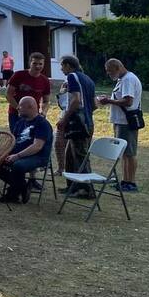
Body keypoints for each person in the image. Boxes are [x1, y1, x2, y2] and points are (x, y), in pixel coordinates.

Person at [0, 96, 53, 204]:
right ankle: (23, 187)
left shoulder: (42, 124)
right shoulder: (20, 122)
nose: (17, 108)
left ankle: (12, 194)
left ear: (30, 107)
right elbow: (13, 141)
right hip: (18, 154)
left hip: (38, 156)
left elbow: (37, 146)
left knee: (18, 165)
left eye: (21, 106)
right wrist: (3, 153)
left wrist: (17, 156)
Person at [100, 58, 143, 192]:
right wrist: (110, 99)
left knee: (129, 152)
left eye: (110, 71)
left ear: (118, 68)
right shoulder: (123, 79)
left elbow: (128, 101)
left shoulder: (128, 79)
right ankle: (125, 181)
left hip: (126, 122)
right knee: (124, 153)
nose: (109, 74)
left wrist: (109, 101)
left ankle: (131, 182)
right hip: (121, 121)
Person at [55, 55, 96, 197]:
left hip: (78, 123)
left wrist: (65, 119)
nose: (61, 69)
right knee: (70, 155)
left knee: (80, 155)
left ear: (68, 65)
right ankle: (72, 186)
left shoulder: (72, 77)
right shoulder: (88, 79)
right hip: (88, 121)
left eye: (62, 66)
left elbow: (76, 100)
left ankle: (86, 189)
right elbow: (95, 104)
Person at [7, 52, 51, 129]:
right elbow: (8, 94)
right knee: (17, 138)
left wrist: (43, 112)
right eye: (34, 63)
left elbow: (46, 101)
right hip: (16, 113)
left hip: (34, 115)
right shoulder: (18, 75)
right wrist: (18, 108)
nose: (37, 66)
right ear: (30, 63)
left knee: (33, 138)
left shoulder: (45, 80)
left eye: (40, 64)